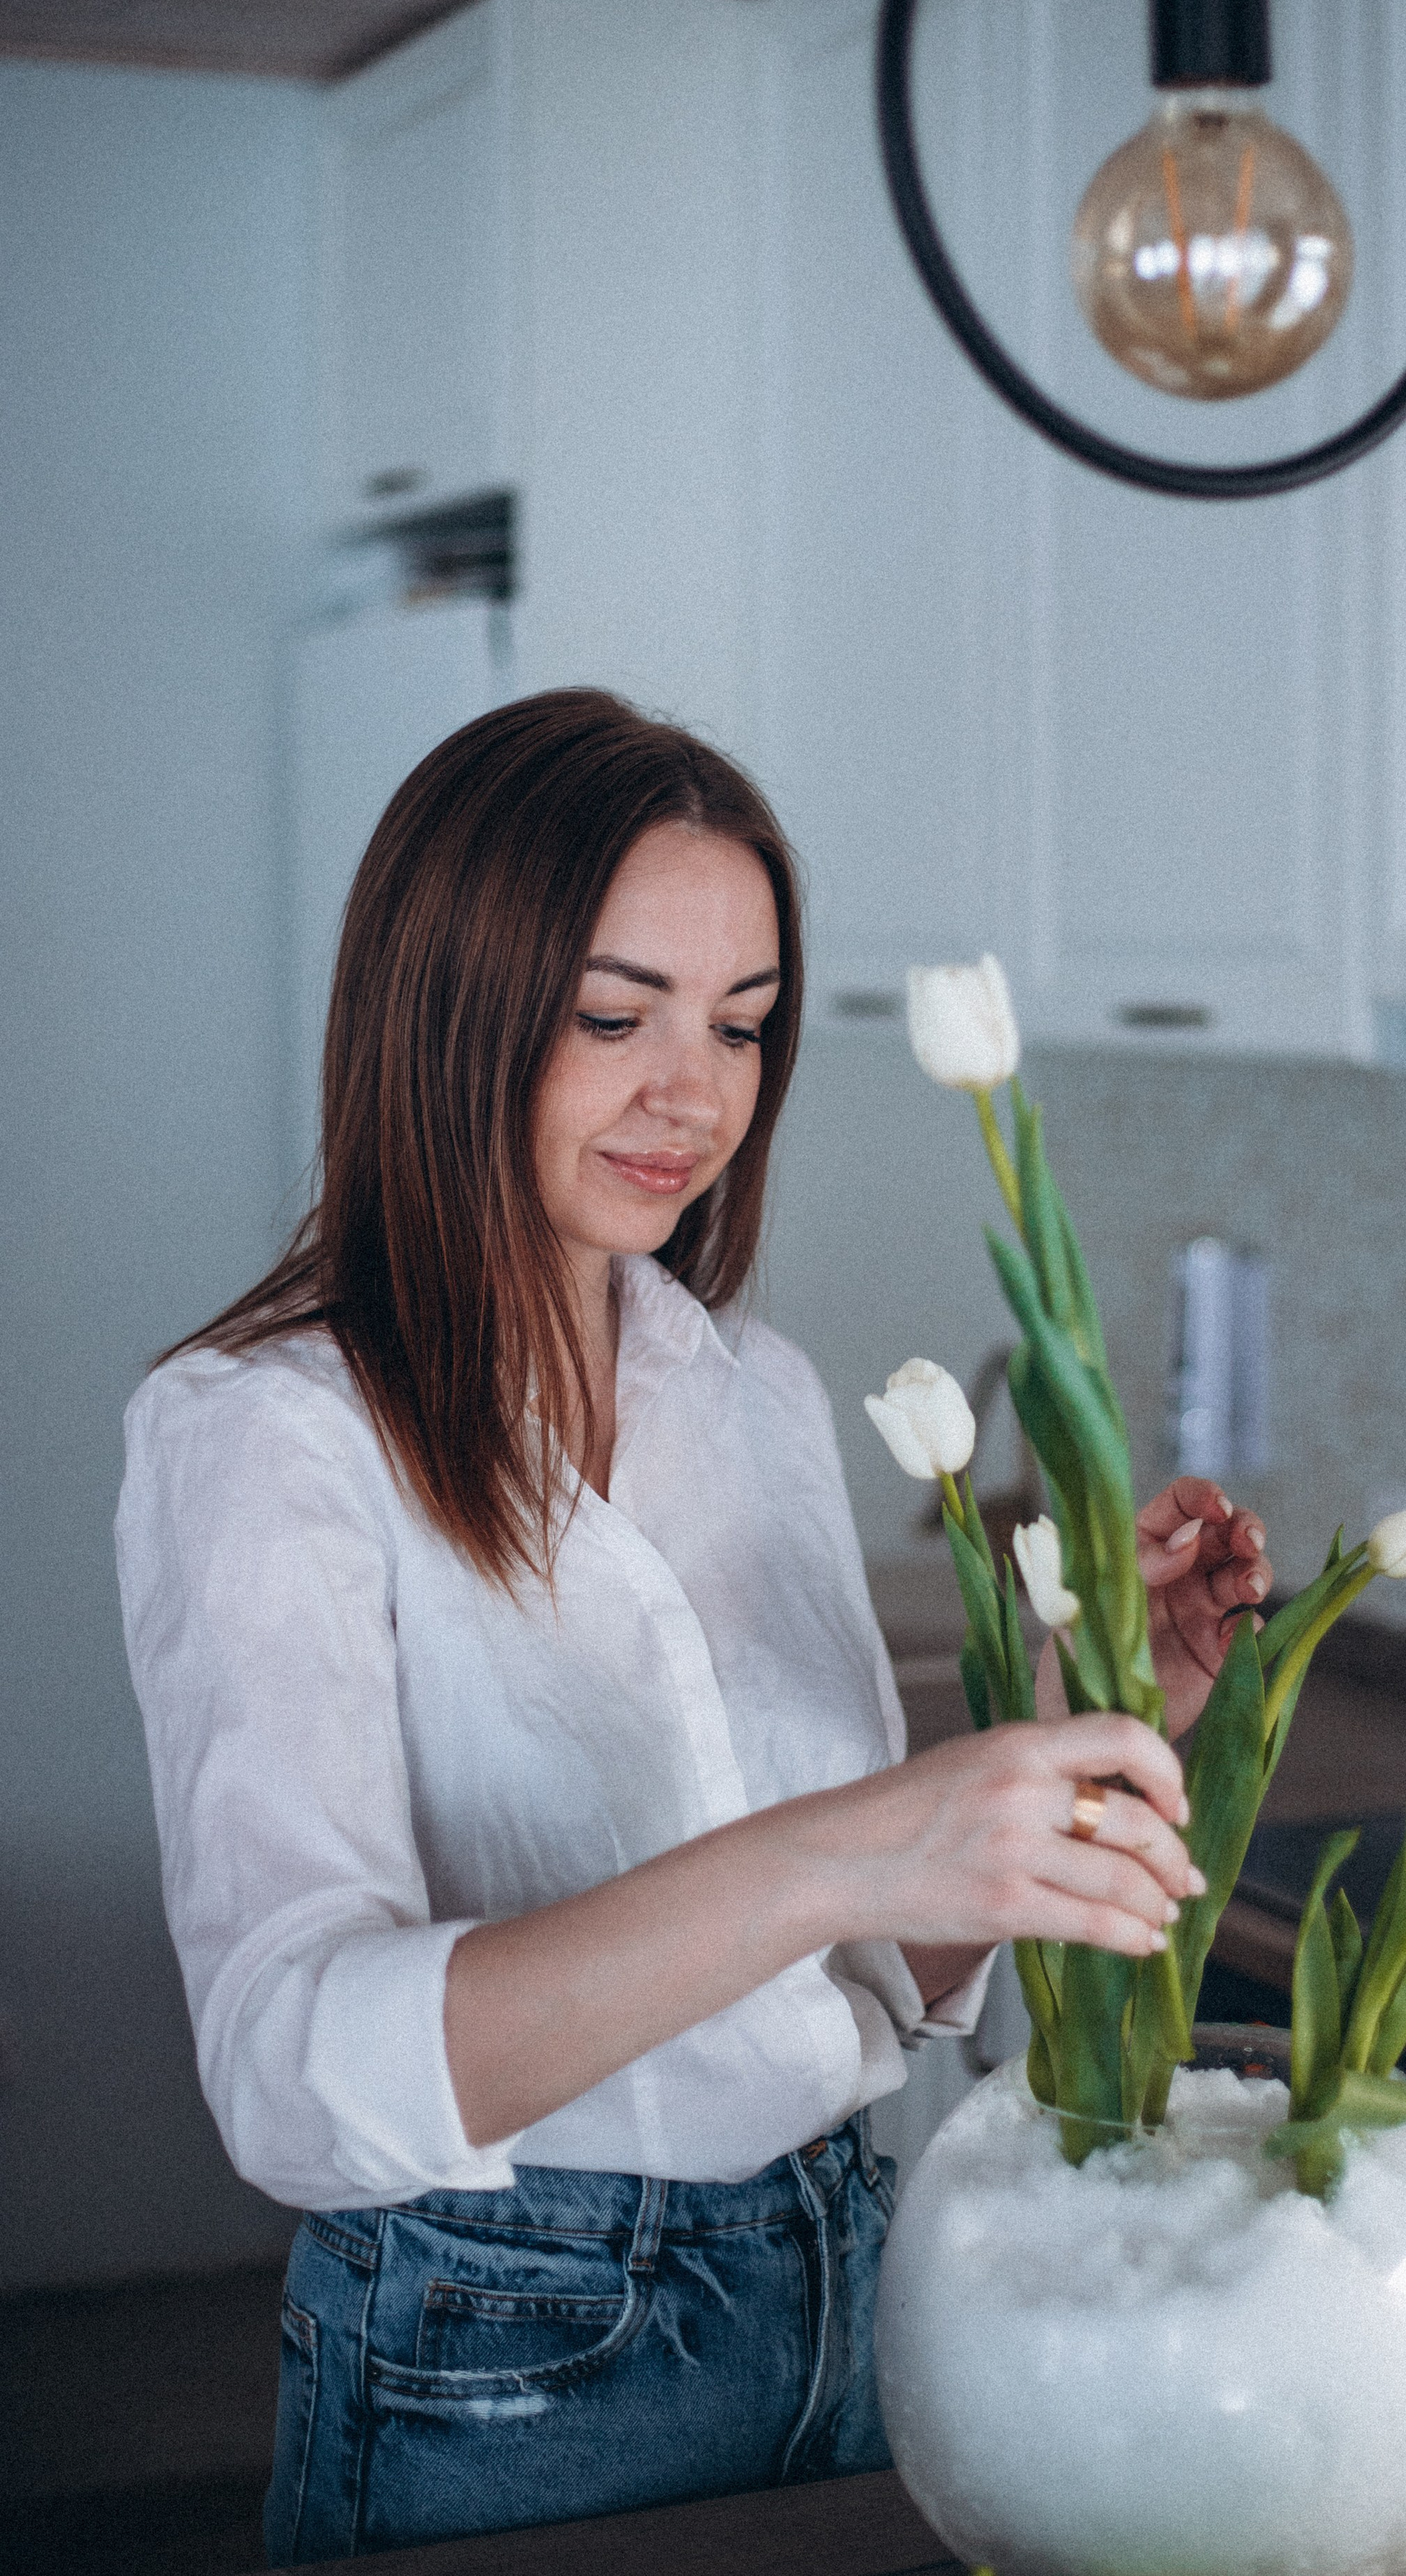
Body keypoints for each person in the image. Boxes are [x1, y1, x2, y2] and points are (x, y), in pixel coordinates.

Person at [116, 690, 1272, 2563]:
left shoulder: (750, 1394)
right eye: (612, 1016)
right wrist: (836, 1849)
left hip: (853, 2284)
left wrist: (1081, 1714)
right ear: (447, 1004)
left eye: (741, 1027)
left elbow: (885, 1984)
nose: (697, 1095)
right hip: (511, 2358)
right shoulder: (264, 1438)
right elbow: (289, 2070)